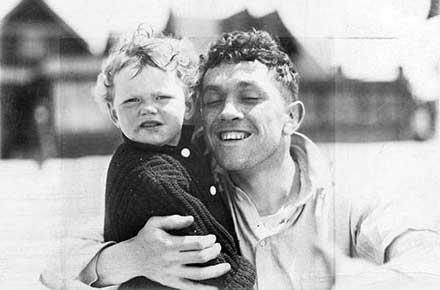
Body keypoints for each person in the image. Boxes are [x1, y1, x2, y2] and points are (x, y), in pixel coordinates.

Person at [41, 29, 440, 290]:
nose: (228, 111)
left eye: (249, 97)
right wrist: (131, 258)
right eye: (213, 100)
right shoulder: (188, 188)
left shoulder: (345, 199)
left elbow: (424, 259)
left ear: (291, 117)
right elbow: (54, 270)